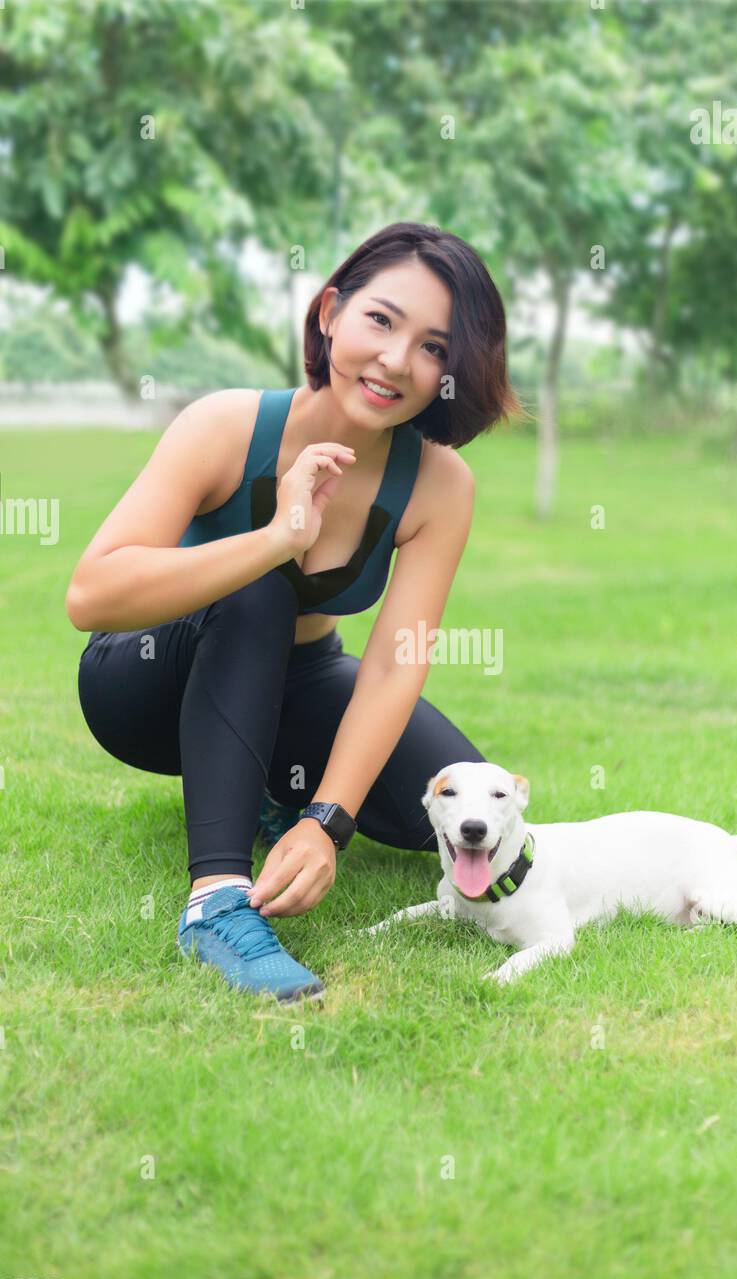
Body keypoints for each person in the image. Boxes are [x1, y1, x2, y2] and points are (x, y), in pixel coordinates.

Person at [67, 221, 524, 1002]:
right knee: (260, 583)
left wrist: (329, 820)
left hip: (298, 682)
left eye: (434, 349)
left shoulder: (439, 486)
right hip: (140, 679)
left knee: (448, 814)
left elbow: (393, 662)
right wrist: (279, 537)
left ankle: (281, 799)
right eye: (380, 321)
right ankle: (215, 901)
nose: (395, 361)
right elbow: (91, 595)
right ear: (329, 311)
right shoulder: (225, 425)